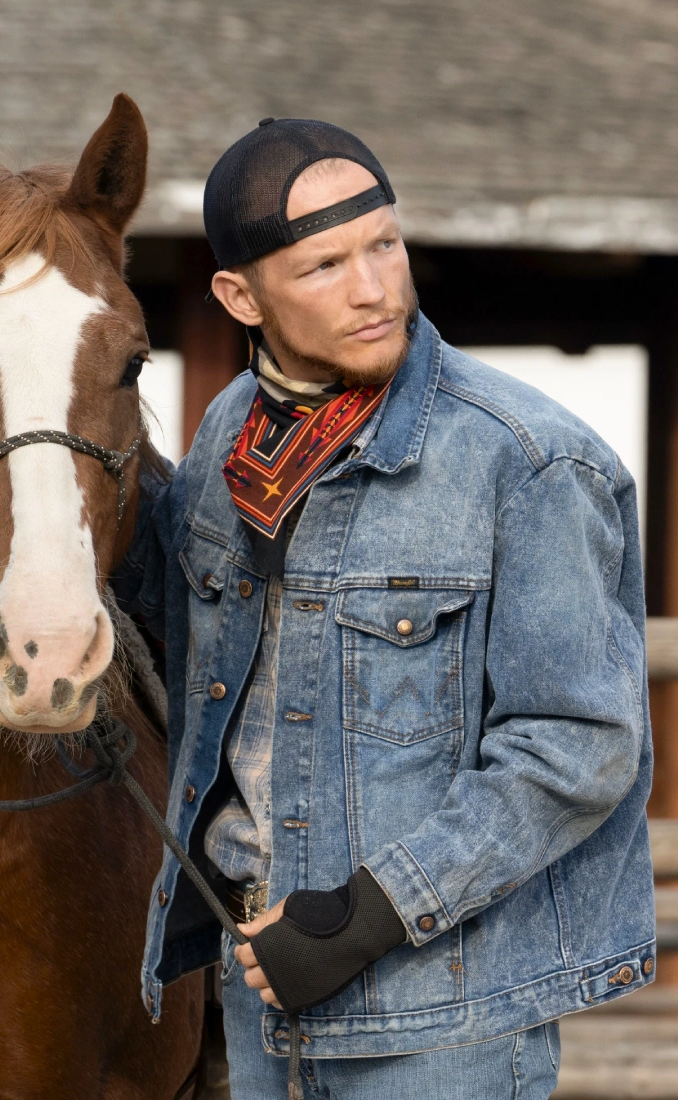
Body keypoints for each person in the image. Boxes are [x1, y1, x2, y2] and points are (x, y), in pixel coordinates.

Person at [113, 117, 655, 1100]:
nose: (375, 289)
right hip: (257, 990)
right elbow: (168, 617)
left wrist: (364, 915)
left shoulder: (529, 461)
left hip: (439, 1023)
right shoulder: (232, 434)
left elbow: (579, 746)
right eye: (324, 265)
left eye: (384, 245)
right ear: (241, 297)